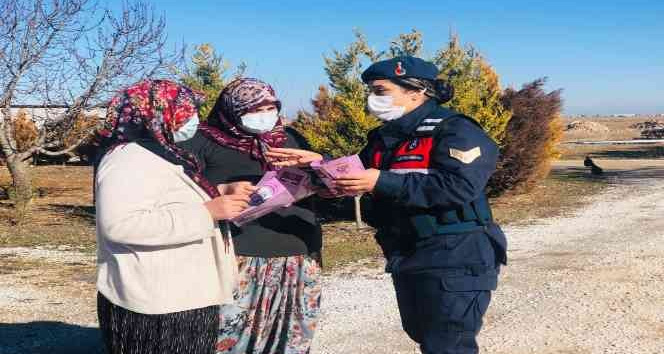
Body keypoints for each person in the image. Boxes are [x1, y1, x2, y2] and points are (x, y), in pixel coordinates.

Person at [268, 56, 507, 354]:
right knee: (423, 334)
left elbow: (459, 187)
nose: (372, 99)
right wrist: (320, 163)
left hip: (456, 251)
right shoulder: (384, 137)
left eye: (381, 91)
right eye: (370, 91)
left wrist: (380, 182)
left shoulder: (455, 130)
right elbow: (360, 173)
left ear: (416, 92)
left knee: (448, 344)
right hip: (406, 250)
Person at [94, 79, 253, 354]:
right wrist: (208, 213)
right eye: (185, 111)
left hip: (179, 294)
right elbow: (120, 224)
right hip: (158, 304)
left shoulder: (161, 151)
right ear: (156, 113)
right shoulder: (128, 159)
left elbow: (168, 196)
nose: (194, 118)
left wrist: (221, 191)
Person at [178, 78, 322, 354]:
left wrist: (319, 163)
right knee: (229, 335)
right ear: (231, 109)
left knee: (292, 337)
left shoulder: (289, 138)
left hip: (299, 252)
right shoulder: (202, 141)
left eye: (270, 107)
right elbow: (179, 189)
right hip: (241, 255)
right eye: (254, 108)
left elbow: (320, 181)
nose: (264, 115)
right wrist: (219, 190)